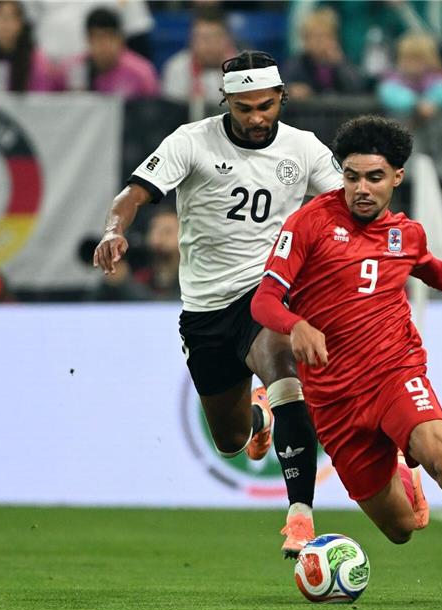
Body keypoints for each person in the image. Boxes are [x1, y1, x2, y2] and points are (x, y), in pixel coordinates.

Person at [251, 115, 442, 605]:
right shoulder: (309, 223)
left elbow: (436, 271)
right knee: (400, 529)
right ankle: (400, 466)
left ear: (398, 176)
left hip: (395, 373)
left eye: (374, 177)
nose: (360, 189)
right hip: (334, 403)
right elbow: (264, 301)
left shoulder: (405, 234)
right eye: (351, 176)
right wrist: (297, 325)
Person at [92, 50, 344, 558]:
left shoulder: (306, 148)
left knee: (285, 377)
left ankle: (299, 517)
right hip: (206, 309)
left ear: (282, 99)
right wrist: (114, 230)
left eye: (266, 106)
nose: (256, 118)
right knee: (228, 440)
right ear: (224, 100)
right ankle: (257, 419)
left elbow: (349, 207)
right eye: (244, 107)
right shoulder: (191, 141)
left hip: (268, 291)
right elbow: (132, 195)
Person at [60, 7, 159, 97]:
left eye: (110, 37)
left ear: (121, 39)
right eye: (99, 38)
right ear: (88, 40)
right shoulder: (73, 69)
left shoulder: (141, 73)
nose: (105, 44)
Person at [282, 6, 365, 100]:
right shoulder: (296, 65)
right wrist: (291, 90)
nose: (320, 42)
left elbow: (358, 88)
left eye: (325, 36)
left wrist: (340, 64)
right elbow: (280, 89)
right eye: (315, 37)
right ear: (305, 40)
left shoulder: (342, 62)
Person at [376, 31, 442, 125]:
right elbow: (388, 93)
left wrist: (432, 101)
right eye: (407, 59)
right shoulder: (393, 78)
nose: (412, 65)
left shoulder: (435, 78)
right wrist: (417, 103)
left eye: (418, 60)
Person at [161, 8, 238, 103]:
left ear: (228, 40)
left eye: (215, 38)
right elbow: (173, 112)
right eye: (203, 39)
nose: (210, 45)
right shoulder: (176, 67)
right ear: (191, 40)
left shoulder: (243, 68)